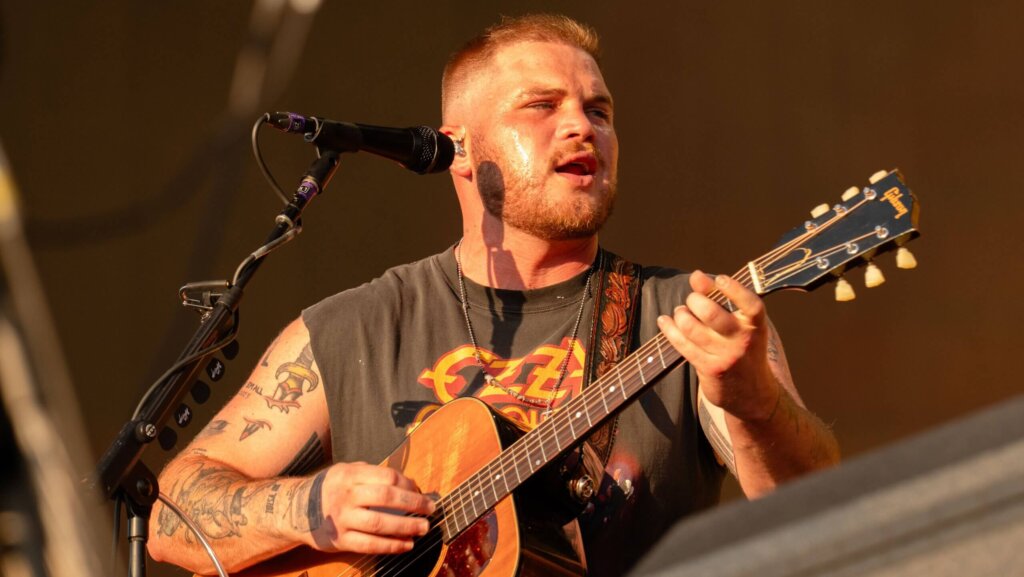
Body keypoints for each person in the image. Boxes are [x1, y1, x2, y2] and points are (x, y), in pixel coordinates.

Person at [148, 14, 840, 576]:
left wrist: (754, 401)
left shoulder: (695, 317)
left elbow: (821, 514)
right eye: (542, 106)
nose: (582, 126)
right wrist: (309, 505)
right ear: (459, 148)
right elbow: (171, 515)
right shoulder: (357, 327)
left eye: (598, 110)